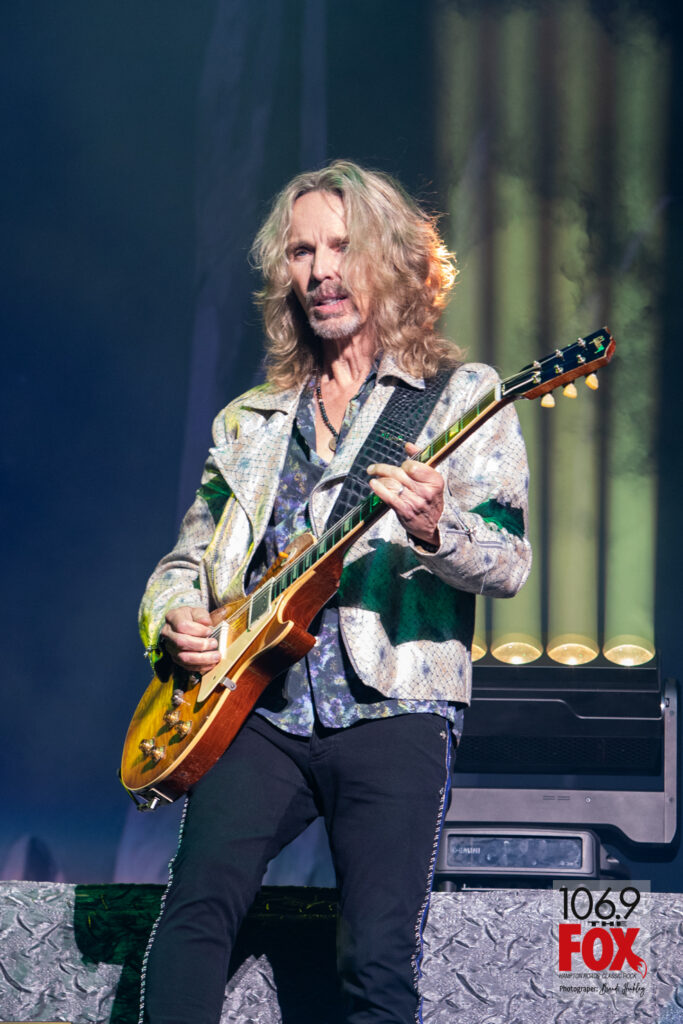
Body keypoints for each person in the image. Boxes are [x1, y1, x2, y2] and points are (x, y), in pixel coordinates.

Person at [137, 160, 532, 1024]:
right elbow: (184, 562)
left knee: (376, 960)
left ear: (393, 258)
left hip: (395, 705)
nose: (321, 270)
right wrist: (173, 616)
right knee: (194, 914)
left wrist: (436, 527)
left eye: (342, 247)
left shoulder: (460, 399)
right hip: (259, 711)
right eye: (301, 251)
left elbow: (508, 563)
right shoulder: (249, 421)